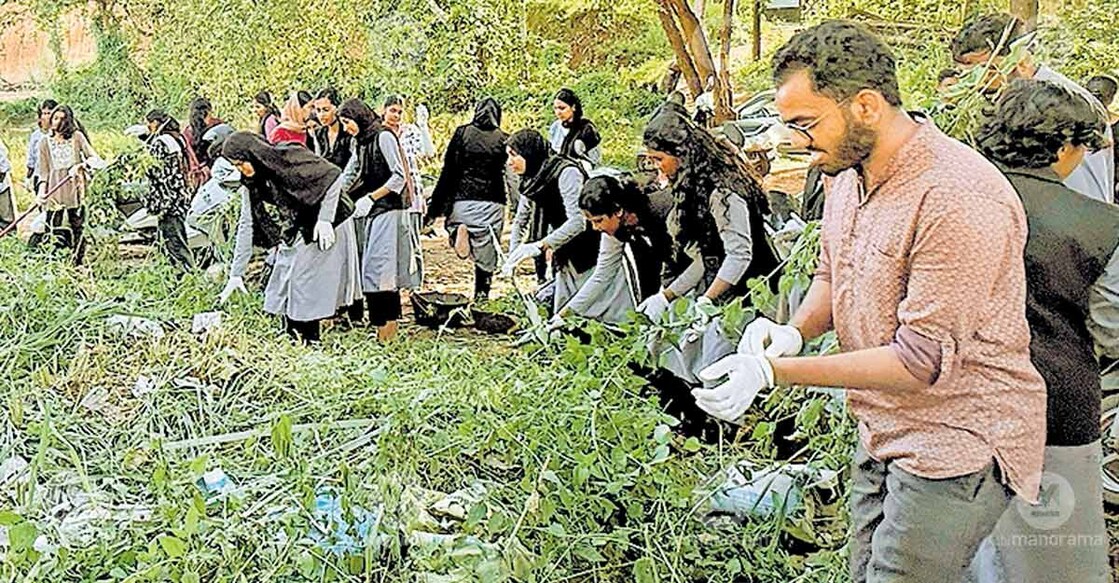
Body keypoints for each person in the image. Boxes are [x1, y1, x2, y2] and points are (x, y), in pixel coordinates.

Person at [706, 21, 1046, 583]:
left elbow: (920, 363)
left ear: (865, 105)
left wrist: (773, 371)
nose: (795, 142)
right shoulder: (846, 174)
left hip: (955, 443)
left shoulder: (956, 198)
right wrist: (793, 330)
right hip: (880, 427)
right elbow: (831, 272)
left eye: (805, 124)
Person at [969, 79, 1117, 583]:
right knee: (1057, 555)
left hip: (958, 401)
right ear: (1062, 146)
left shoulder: (956, 202)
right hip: (1057, 406)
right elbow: (1111, 327)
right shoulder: (1101, 225)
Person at [951, 13, 1115, 203]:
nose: (978, 84)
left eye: (985, 72)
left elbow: (1083, 189)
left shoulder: (1066, 106)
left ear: (1020, 60)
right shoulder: (1009, 102)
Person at [219, 132, 360, 344]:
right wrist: (236, 274)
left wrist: (325, 219)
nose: (241, 170)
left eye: (241, 164)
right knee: (284, 282)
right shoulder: (252, 183)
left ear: (253, 154)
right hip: (298, 225)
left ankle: (310, 342)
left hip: (329, 222)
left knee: (304, 283)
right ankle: (294, 341)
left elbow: (332, 176)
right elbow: (246, 223)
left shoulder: (289, 155)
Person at [336, 98, 419, 341]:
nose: (346, 127)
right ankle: (381, 328)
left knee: (382, 271)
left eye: (347, 122)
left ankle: (388, 331)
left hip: (390, 208)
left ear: (359, 117)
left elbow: (398, 177)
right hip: (372, 211)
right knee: (370, 271)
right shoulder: (359, 141)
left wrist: (372, 197)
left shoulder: (383, 136)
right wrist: (329, 196)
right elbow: (350, 173)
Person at [550, 174, 670, 326]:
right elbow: (602, 275)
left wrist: (667, 295)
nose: (595, 228)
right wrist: (564, 315)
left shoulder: (661, 212)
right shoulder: (615, 229)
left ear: (618, 210)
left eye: (599, 221)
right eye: (591, 222)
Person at [429, 97, 510, 301]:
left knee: (456, 225)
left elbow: (449, 171)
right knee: (487, 253)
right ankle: (481, 297)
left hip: (463, 200)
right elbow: (511, 176)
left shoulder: (462, 133)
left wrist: (435, 210)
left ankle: (458, 232)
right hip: (493, 201)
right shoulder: (504, 139)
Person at [503, 129, 592, 314]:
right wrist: (513, 256)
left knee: (583, 303)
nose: (509, 162)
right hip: (562, 248)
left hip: (587, 247)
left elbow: (578, 221)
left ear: (529, 153)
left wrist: (542, 244)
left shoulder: (566, 172)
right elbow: (521, 219)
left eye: (514, 155)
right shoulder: (532, 180)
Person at [31, 105, 105, 264]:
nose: (57, 122)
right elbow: (44, 172)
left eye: (62, 119)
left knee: (77, 226)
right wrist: (41, 193)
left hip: (75, 189)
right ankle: (54, 260)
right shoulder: (45, 142)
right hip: (54, 190)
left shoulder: (77, 137)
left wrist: (80, 166)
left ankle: (77, 259)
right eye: (55, 118)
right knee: (53, 227)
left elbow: (94, 158)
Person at [138, 110, 196, 271]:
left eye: (149, 123)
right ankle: (180, 275)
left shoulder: (161, 142)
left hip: (168, 200)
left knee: (174, 242)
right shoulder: (176, 138)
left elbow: (157, 172)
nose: (147, 126)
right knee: (176, 237)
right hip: (179, 196)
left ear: (156, 122)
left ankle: (186, 276)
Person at [381, 94, 430, 286]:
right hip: (389, 193)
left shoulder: (409, 131)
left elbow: (427, 152)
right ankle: (394, 282)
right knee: (392, 242)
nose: (396, 115)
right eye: (393, 110)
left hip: (412, 191)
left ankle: (415, 284)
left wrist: (423, 126)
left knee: (413, 241)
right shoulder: (379, 133)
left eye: (400, 112)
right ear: (383, 110)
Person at [548, 88, 602, 169]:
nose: (558, 112)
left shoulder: (587, 129)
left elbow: (594, 160)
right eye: (556, 108)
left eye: (562, 108)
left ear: (573, 107)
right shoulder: (555, 127)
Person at [182, 97, 224, 190]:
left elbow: (190, 157)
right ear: (208, 112)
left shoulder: (187, 132)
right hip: (218, 169)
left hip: (199, 174)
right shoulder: (217, 125)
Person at [312, 87, 353, 170]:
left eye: (326, 110)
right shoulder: (318, 133)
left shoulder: (348, 131)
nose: (321, 115)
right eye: (318, 110)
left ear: (336, 109)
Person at [0, 136, 13, 231]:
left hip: (1, 187)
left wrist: (2, 173)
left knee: (6, 218)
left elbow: (4, 163)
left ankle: (11, 239)